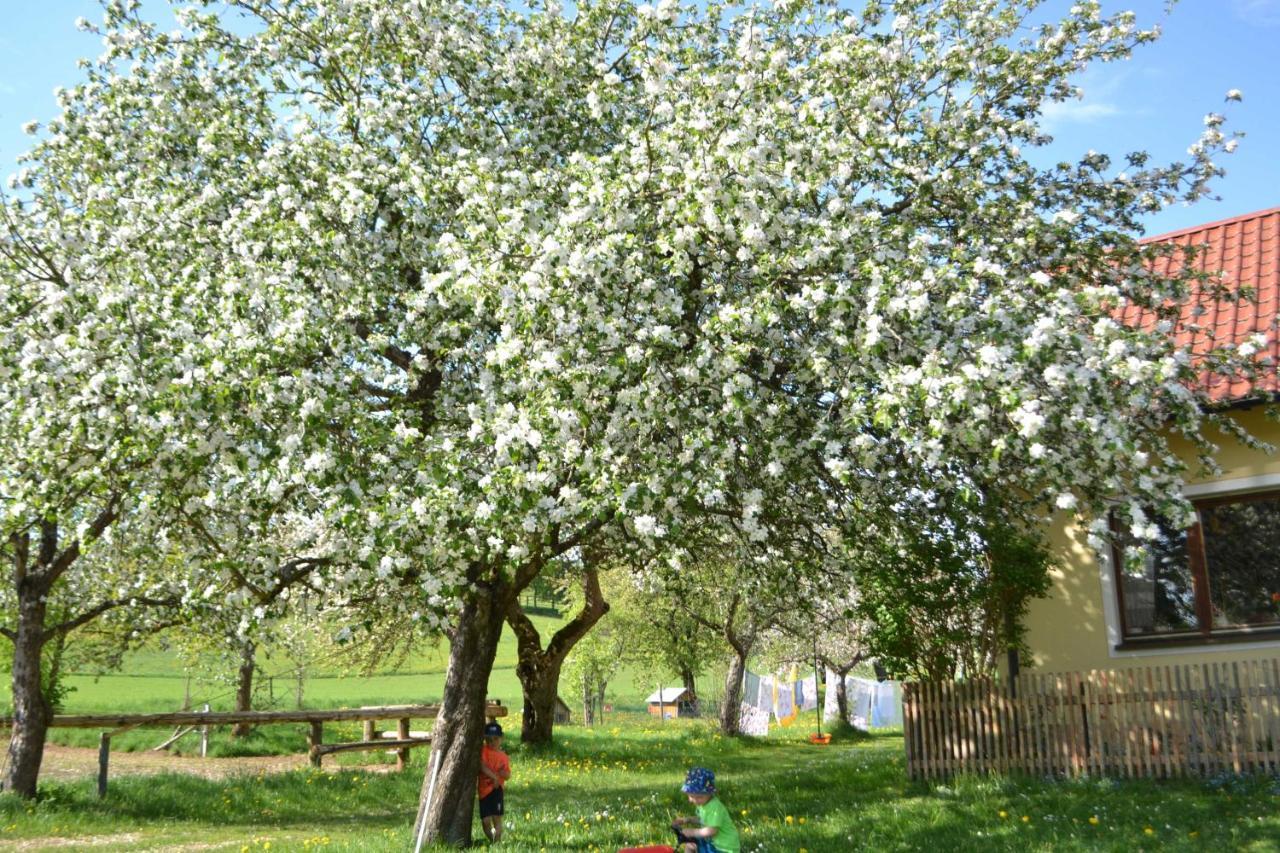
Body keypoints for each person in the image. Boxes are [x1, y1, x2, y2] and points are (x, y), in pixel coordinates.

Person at [670, 767, 740, 853]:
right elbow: (703, 820)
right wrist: (687, 819)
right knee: (690, 845)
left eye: (699, 797)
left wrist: (693, 832)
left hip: (724, 848)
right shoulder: (703, 803)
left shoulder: (715, 807)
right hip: (713, 843)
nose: (695, 800)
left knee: (695, 845)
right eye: (691, 796)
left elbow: (712, 830)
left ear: (710, 793)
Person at [477, 721, 511, 844]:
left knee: (497, 818)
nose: (492, 742)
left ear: (501, 738)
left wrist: (502, 774)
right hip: (483, 791)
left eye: (495, 739)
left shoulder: (504, 757)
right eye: (488, 739)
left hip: (497, 791)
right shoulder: (483, 751)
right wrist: (495, 777)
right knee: (485, 821)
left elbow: (508, 775)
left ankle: (496, 844)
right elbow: (481, 766)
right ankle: (492, 840)